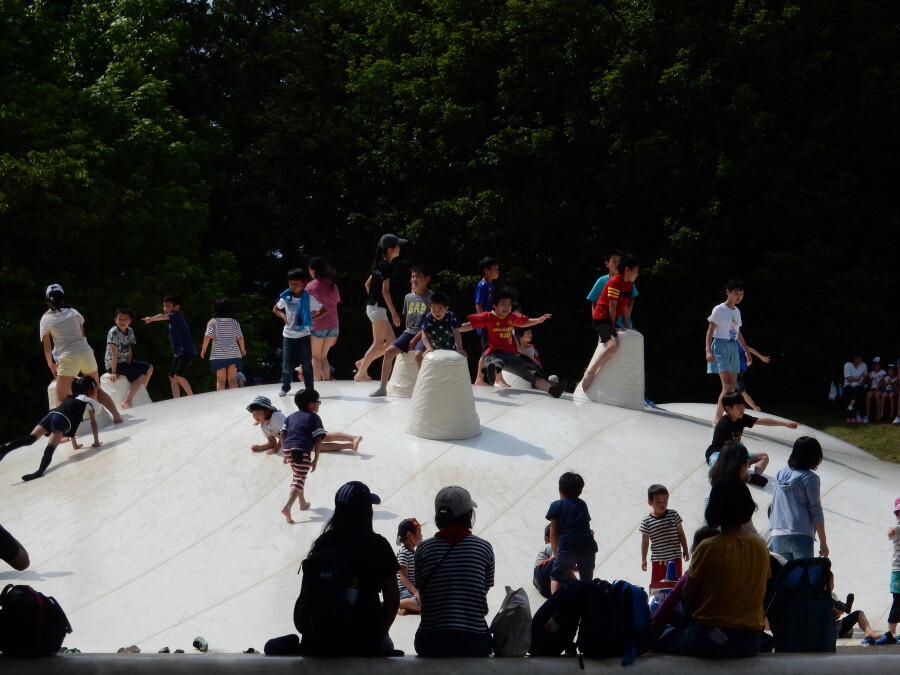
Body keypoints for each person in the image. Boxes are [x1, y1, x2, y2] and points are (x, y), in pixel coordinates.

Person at [657, 480, 770, 658]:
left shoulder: (708, 546)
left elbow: (687, 601)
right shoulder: (761, 545)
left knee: (665, 640)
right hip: (751, 641)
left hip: (711, 639)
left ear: (714, 509)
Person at [298, 481, 399, 656]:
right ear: (367, 510)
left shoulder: (323, 543)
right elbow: (393, 599)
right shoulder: (377, 544)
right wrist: (380, 632)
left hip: (321, 642)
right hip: (363, 640)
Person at [415, 486, 494, 657]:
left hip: (430, 642)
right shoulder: (484, 547)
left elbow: (421, 588)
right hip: (474, 641)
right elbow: (484, 587)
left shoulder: (422, 549)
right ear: (468, 515)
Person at [461, 287, 566, 398]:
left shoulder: (511, 317)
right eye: (503, 304)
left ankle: (553, 390)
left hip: (511, 355)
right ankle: (492, 369)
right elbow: (469, 325)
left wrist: (539, 320)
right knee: (496, 361)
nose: (507, 307)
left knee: (531, 372)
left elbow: (524, 322)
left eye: (509, 304)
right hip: (494, 352)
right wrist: (454, 329)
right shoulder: (488, 317)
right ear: (495, 305)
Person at [41, 284, 122, 422]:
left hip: (67, 357)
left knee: (61, 399)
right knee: (97, 389)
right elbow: (83, 337)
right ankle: (117, 416)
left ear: (48, 301)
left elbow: (48, 349)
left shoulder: (46, 319)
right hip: (86, 353)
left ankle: (64, 435)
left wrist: (52, 366)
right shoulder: (74, 313)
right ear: (63, 298)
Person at [0, 375, 102, 481]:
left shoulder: (71, 397)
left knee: (30, 438)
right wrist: (96, 442)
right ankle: (39, 472)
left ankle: (5, 449)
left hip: (51, 414)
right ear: (90, 390)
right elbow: (93, 423)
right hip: (61, 420)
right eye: (95, 390)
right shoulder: (88, 401)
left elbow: (73, 421)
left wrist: (75, 445)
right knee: (50, 448)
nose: (96, 393)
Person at [705, 279, 768, 423]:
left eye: (741, 293)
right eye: (735, 293)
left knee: (733, 387)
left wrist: (746, 351)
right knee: (727, 386)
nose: (739, 296)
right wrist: (708, 350)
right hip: (720, 346)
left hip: (733, 347)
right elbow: (710, 330)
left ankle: (727, 415)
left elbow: (738, 333)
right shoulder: (719, 309)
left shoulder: (737, 311)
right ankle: (718, 417)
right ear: (728, 292)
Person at [705, 391, 798, 486]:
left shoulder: (741, 418)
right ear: (728, 408)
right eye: (738, 406)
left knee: (763, 456)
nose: (742, 409)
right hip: (718, 454)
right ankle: (745, 477)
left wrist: (785, 424)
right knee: (721, 465)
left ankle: (756, 476)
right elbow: (730, 450)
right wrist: (743, 461)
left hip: (736, 453)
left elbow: (762, 421)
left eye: (743, 406)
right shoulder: (724, 424)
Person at [370, 265, 433, 397]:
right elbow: (407, 318)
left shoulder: (432, 298)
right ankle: (382, 387)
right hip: (409, 332)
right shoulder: (408, 297)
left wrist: (415, 339)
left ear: (427, 279)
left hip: (424, 334)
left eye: (418, 277)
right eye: (413, 276)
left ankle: (423, 388)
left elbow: (430, 323)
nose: (414, 279)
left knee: (418, 355)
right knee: (388, 352)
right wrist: (407, 336)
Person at [581, 255, 640, 392]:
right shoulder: (614, 282)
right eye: (636, 271)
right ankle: (589, 373)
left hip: (611, 319)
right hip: (602, 318)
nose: (637, 274)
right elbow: (612, 307)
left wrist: (628, 328)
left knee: (628, 337)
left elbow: (624, 308)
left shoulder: (629, 284)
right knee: (613, 345)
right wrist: (613, 327)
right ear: (627, 270)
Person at [768, 436, 828, 561]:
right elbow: (816, 510)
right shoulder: (810, 478)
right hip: (801, 534)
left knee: (785, 576)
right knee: (802, 577)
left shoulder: (780, 474)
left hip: (777, 534)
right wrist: (823, 543)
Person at [355, 234, 405, 382]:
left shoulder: (378, 265)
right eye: (398, 246)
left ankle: (362, 363)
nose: (399, 248)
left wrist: (372, 299)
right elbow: (385, 291)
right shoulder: (386, 266)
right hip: (378, 309)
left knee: (391, 342)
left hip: (374, 307)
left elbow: (367, 285)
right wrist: (394, 313)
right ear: (390, 249)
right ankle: (361, 373)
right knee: (378, 343)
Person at [248, 394, 361, 457]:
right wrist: (261, 447)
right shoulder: (264, 426)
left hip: (302, 429)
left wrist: (277, 448)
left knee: (324, 437)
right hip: (298, 439)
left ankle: (353, 438)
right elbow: (271, 442)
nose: (255, 416)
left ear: (267, 411)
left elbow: (285, 434)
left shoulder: (275, 416)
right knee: (316, 448)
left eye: (258, 412)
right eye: (253, 413)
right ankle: (349, 446)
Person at [273, 269, 324, 397]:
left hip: (303, 336)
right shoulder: (286, 297)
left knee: (307, 364)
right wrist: (283, 316)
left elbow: (323, 310)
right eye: (291, 283)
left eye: (296, 283)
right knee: (287, 364)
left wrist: (313, 318)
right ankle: (285, 387)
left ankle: (309, 389)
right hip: (288, 336)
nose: (293, 286)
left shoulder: (309, 299)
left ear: (304, 283)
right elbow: (275, 309)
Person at [546, 472, 598, 594]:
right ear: (580, 492)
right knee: (586, 581)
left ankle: (555, 606)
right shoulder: (582, 504)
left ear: (560, 490)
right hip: (588, 547)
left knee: (556, 576)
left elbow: (554, 532)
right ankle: (586, 609)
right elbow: (585, 526)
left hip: (568, 547)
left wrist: (555, 553)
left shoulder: (556, 505)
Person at [279, 389, 324, 522]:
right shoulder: (313, 417)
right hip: (301, 450)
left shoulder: (291, 416)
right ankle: (287, 507)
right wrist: (315, 459)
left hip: (288, 448)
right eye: (318, 402)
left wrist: (284, 453)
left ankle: (302, 502)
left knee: (297, 475)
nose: (319, 405)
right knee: (299, 479)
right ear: (311, 405)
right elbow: (318, 439)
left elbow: (282, 433)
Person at [142, 293, 196, 398]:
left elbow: (162, 316)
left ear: (176, 307)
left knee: (178, 375)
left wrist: (152, 319)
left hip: (186, 350)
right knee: (172, 377)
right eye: (164, 306)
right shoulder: (173, 319)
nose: (165, 308)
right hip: (179, 353)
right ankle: (177, 400)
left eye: (168, 306)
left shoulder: (176, 315)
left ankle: (192, 396)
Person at [705, 442, 761, 533]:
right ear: (741, 466)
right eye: (748, 461)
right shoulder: (738, 491)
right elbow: (748, 527)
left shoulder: (714, 490)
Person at [104, 307, 154, 409]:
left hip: (124, 361)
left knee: (149, 368)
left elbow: (129, 349)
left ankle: (141, 391)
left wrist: (129, 363)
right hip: (114, 362)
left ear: (130, 321)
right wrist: (113, 372)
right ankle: (127, 401)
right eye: (120, 319)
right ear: (115, 320)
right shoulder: (113, 332)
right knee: (140, 376)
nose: (123, 321)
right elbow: (114, 353)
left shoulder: (130, 331)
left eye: (126, 319)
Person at [640, 484, 689, 585]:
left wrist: (686, 550)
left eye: (665, 500)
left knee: (675, 585)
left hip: (675, 558)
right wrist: (643, 559)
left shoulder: (674, 515)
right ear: (650, 502)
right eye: (658, 501)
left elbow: (681, 534)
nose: (662, 504)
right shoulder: (647, 521)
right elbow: (645, 542)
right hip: (658, 561)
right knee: (658, 586)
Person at [473, 257, 507, 387]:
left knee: (493, 350)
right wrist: (483, 321)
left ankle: (484, 378)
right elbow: (478, 304)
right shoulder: (482, 285)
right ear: (486, 270)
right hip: (486, 324)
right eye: (495, 269)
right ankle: (482, 379)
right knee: (487, 351)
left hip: (492, 324)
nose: (498, 271)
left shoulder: (491, 286)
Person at [306, 256, 341, 381]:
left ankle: (318, 384)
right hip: (333, 325)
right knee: (324, 356)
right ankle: (326, 382)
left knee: (315, 357)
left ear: (311, 270)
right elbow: (335, 307)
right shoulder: (332, 286)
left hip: (317, 326)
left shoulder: (309, 287)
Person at [200, 297, 246, 391]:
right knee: (233, 379)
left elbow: (207, 336)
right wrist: (243, 349)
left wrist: (203, 349)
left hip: (218, 355)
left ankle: (222, 402)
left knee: (221, 380)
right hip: (233, 354)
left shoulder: (213, 322)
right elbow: (240, 337)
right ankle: (234, 400)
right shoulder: (234, 322)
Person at [586, 249, 639, 327]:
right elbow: (594, 301)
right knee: (611, 338)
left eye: (620, 261)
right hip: (606, 321)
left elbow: (632, 297)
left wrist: (629, 310)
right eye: (614, 262)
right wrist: (597, 322)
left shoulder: (628, 280)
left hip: (624, 322)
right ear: (607, 264)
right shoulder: (602, 281)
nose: (617, 264)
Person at [874, 497, 900, 644]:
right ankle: (891, 633)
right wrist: (890, 531)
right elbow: (893, 530)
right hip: (898, 572)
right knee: (897, 601)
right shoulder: (898, 528)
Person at [396, 518, 424, 615]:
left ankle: (407, 607)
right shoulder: (404, 553)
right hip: (404, 590)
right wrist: (415, 591)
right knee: (423, 605)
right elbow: (402, 575)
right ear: (410, 535)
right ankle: (393, 604)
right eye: (419, 532)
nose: (422, 535)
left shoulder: (414, 553)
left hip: (411, 590)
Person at [736, 344, 770, 411]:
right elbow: (749, 349)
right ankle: (756, 408)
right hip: (740, 369)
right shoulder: (735, 342)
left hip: (737, 369)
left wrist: (762, 357)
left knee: (728, 386)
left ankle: (722, 403)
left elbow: (749, 349)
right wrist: (762, 357)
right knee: (742, 391)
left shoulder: (734, 343)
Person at [842, 351, 868, 423]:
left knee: (858, 389)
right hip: (848, 386)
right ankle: (857, 414)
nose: (861, 360)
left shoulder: (864, 365)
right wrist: (858, 378)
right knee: (857, 391)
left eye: (862, 358)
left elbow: (865, 379)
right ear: (855, 357)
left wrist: (865, 378)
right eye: (859, 358)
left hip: (859, 386)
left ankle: (851, 406)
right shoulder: (847, 365)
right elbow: (849, 379)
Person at [864, 357, 885, 423]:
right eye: (874, 364)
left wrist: (876, 390)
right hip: (872, 389)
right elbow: (870, 384)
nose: (875, 365)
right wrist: (870, 379)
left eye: (877, 364)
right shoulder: (871, 373)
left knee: (877, 395)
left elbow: (881, 382)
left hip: (880, 389)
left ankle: (878, 413)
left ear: (880, 365)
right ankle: (868, 414)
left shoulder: (883, 372)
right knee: (868, 396)